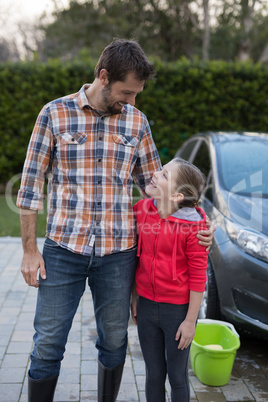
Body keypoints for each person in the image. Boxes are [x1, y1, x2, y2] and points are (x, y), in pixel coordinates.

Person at [17, 39, 213, 402]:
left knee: (114, 342)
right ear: (103, 77)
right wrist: (29, 251)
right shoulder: (54, 114)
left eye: (137, 94)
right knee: (47, 344)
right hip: (63, 250)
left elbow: (161, 190)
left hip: (119, 255)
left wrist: (199, 224)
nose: (133, 102)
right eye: (127, 92)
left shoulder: (136, 122)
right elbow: (30, 187)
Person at [131, 157, 209, 402]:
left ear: (177, 196)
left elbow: (198, 277)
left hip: (177, 312)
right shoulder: (141, 210)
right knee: (154, 374)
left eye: (164, 175)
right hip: (145, 307)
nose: (154, 174)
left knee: (177, 377)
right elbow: (135, 257)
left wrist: (190, 321)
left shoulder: (194, 228)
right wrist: (135, 297)